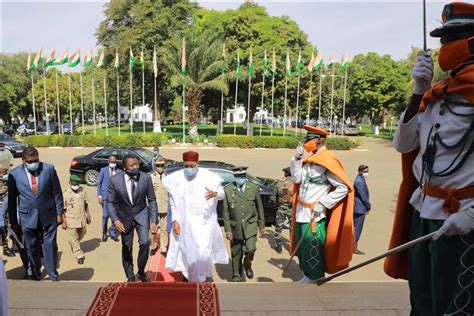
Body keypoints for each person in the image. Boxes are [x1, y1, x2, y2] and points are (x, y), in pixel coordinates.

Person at [385, 3, 474, 315]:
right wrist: (417, 92)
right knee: (421, 299)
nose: (445, 46)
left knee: (454, 305)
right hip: (424, 213)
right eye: (443, 39)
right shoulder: (437, 93)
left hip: (461, 220)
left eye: (454, 37)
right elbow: (404, 144)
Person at [290, 125, 354, 284]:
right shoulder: (310, 159)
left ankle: (316, 277)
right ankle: (307, 274)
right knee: (302, 245)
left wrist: (323, 203)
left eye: (309, 140)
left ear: (318, 141)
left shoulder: (328, 160)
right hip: (301, 210)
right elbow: (297, 179)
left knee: (313, 246)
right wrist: (297, 159)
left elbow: (344, 187)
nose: (306, 143)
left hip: (315, 213)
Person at [163, 151, 228, 282]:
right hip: (185, 223)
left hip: (204, 224)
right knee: (187, 252)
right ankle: (188, 278)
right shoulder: (176, 178)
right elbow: (173, 203)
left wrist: (215, 194)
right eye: (186, 166)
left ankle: (200, 278)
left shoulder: (208, 176)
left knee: (202, 251)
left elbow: (223, 193)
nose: (188, 169)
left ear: (197, 164)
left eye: (191, 166)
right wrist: (174, 220)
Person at [8, 146, 64, 281]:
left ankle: (53, 274)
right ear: (23, 160)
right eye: (30, 161)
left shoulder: (49, 169)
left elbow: (57, 193)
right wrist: (14, 222)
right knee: (31, 247)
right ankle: (35, 273)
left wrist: (59, 213)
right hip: (27, 217)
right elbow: (12, 200)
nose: (34, 164)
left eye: (36, 161)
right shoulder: (14, 174)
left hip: (48, 215)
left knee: (50, 246)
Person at [108, 154, 158, 282]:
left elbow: (151, 200)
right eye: (132, 165)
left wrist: (154, 220)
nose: (135, 167)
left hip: (141, 214)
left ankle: (141, 271)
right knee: (127, 247)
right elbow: (111, 202)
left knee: (145, 243)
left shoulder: (146, 178)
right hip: (123, 218)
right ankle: (130, 275)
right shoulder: (115, 180)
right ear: (124, 167)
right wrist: (115, 220)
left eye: (137, 164)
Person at [223, 167, 265, 282]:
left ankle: (247, 265)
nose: (239, 179)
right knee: (236, 253)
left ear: (245, 177)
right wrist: (228, 230)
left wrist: (262, 225)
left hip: (250, 225)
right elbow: (226, 212)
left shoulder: (254, 188)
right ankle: (236, 276)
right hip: (235, 226)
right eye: (237, 177)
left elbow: (259, 207)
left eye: (241, 177)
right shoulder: (228, 189)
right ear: (234, 177)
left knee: (251, 248)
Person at [62, 175, 91, 265]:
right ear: (70, 183)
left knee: (83, 232)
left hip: (81, 217)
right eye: (74, 184)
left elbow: (86, 204)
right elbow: (63, 209)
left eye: (77, 183)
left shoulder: (82, 190)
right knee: (74, 236)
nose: (76, 185)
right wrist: (64, 221)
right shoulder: (65, 193)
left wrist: (88, 215)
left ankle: (73, 243)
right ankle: (79, 254)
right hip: (71, 218)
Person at [97, 155, 122, 242]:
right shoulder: (103, 170)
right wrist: (99, 196)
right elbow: (99, 183)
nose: (113, 164)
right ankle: (104, 233)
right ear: (108, 162)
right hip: (105, 198)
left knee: (114, 217)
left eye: (114, 162)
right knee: (105, 216)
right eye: (111, 162)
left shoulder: (119, 171)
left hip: (116, 199)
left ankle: (113, 233)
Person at [150, 157, 170, 256]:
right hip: (154, 208)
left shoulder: (169, 177)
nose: (160, 167)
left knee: (164, 229)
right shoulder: (151, 177)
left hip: (165, 207)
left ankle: (163, 248)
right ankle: (153, 246)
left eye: (162, 165)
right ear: (155, 166)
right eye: (158, 165)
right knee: (153, 229)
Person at [274, 167, 293, 254]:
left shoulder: (279, 183)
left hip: (281, 208)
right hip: (292, 209)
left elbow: (273, 197)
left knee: (278, 228)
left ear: (285, 174)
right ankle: (292, 248)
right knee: (293, 229)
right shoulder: (295, 184)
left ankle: (279, 247)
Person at [353, 164, 371, 255]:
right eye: (365, 172)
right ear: (360, 171)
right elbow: (363, 197)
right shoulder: (359, 182)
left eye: (367, 171)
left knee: (355, 228)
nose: (366, 173)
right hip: (359, 208)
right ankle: (353, 247)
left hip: (357, 207)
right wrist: (368, 206)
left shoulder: (360, 179)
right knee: (357, 229)